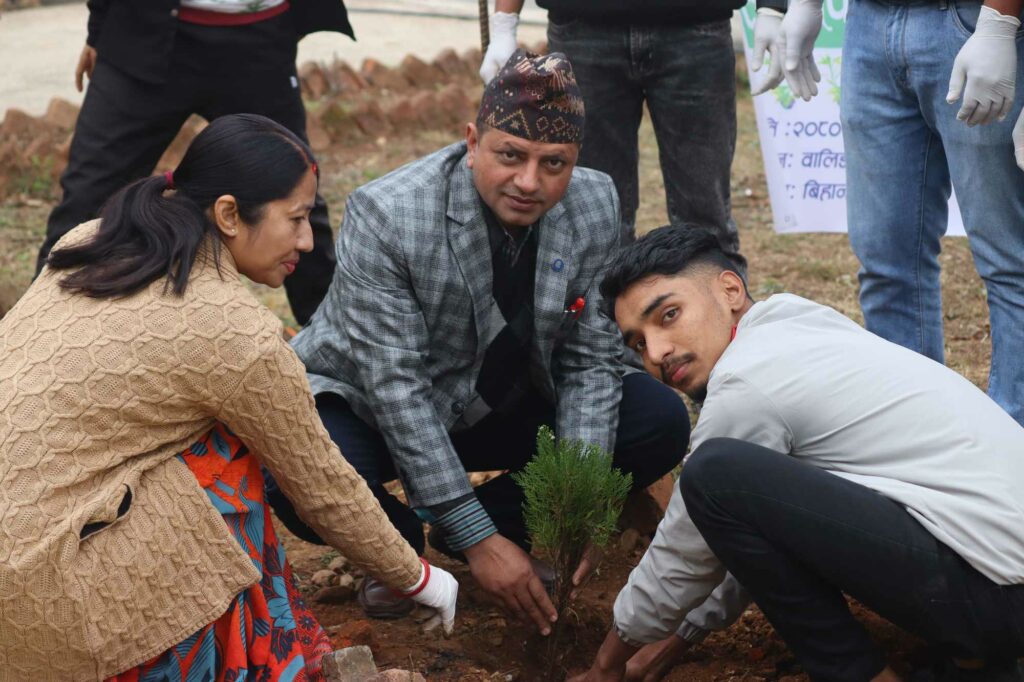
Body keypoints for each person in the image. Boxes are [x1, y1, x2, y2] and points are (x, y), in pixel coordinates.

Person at [0, 114, 458, 682]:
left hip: (17, 570)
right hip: (52, 606)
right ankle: (251, 661)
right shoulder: (232, 334)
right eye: (295, 220)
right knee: (223, 456)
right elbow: (323, 487)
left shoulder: (88, 242)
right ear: (228, 214)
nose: (308, 241)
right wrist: (421, 577)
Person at [268, 50, 693, 636]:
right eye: (510, 156)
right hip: (376, 408)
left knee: (658, 419)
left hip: (510, 400)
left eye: (554, 164)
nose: (529, 181)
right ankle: (399, 548)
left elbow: (590, 362)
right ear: (472, 142)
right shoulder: (388, 213)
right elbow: (397, 391)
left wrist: (576, 506)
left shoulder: (594, 202)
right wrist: (479, 544)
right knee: (298, 470)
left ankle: (486, 522)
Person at [570, 225, 1024, 682]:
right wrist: (678, 636)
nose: (657, 352)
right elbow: (752, 530)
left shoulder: (746, 383)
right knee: (727, 487)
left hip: (999, 592)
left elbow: (685, 550)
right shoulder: (796, 322)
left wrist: (607, 664)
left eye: (668, 315)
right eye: (639, 343)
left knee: (713, 475)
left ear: (729, 289)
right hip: (997, 571)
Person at [754, 0, 1024, 426]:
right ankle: (909, 437)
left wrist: (1001, 19)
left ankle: (1013, 452)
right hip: (869, 22)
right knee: (885, 264)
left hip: (973, 20)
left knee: (1010, 263)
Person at [34, 0, 349, 325]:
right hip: (146, 32)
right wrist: (100, 27)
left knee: (296, 194)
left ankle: (340, 347)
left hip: (259, 33)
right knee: (85, 201)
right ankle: (32, 338)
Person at [477, 0, 789, 265]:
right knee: (592, 215)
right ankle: (598, 328)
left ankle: (719, 325)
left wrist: (772, 8)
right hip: (583, 26)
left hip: (695, 25)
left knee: (704, 210)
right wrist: (504, 21)